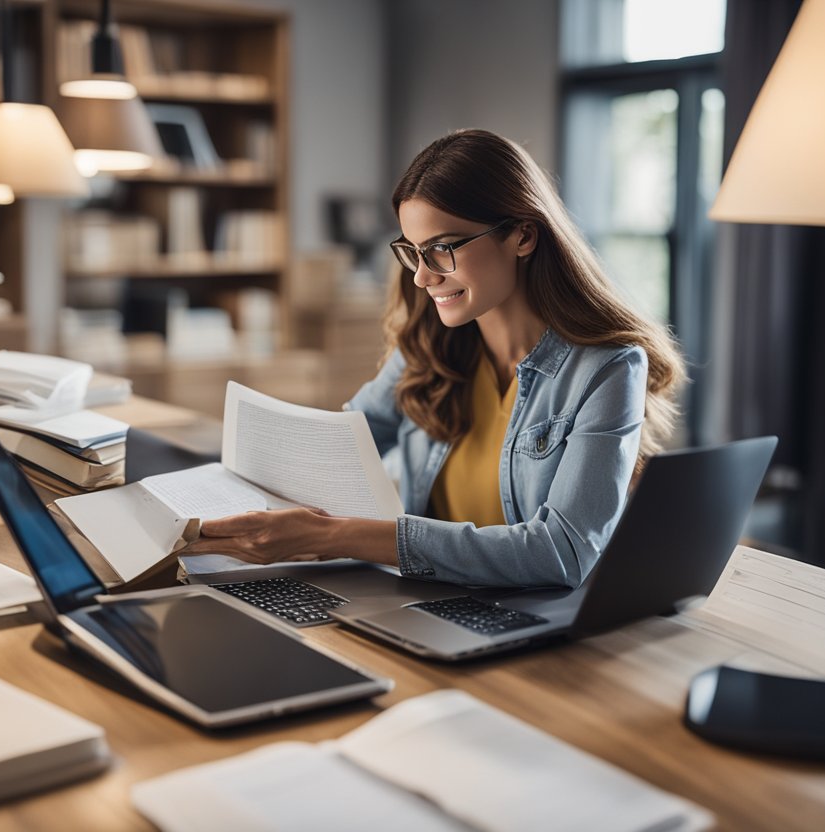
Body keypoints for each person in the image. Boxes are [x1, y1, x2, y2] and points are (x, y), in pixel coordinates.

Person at [183, 128, 686, 588]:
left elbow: (561, 554)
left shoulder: (608, 369)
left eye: (443, 249)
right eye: (413, 251)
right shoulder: (428, 347)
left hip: (527, 622)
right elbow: (336, 448)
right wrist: (221, 494)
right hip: (424, 600)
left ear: (523, 236)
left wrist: (331, 537)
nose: (422, 277)